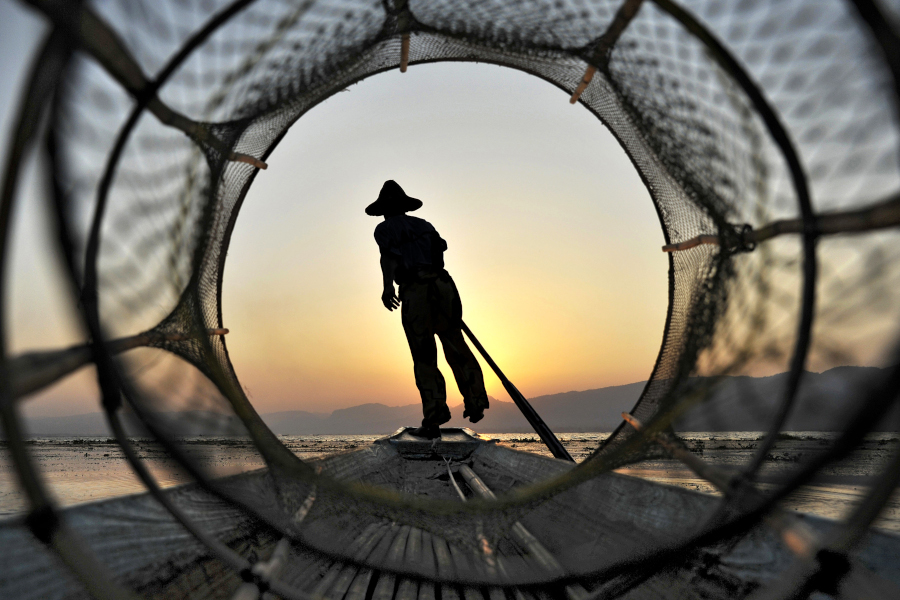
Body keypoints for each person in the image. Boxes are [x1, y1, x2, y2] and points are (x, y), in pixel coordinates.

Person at [367, 180, 489, 439]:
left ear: (384, 209)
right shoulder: (425, 225)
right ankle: (476, 401)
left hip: (415, 288)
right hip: (443, 285)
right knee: (456, 344)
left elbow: (389, 257)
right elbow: (440, 256)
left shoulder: (384, 228)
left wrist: (388, 286)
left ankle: (434, 418)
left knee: (424, 354)